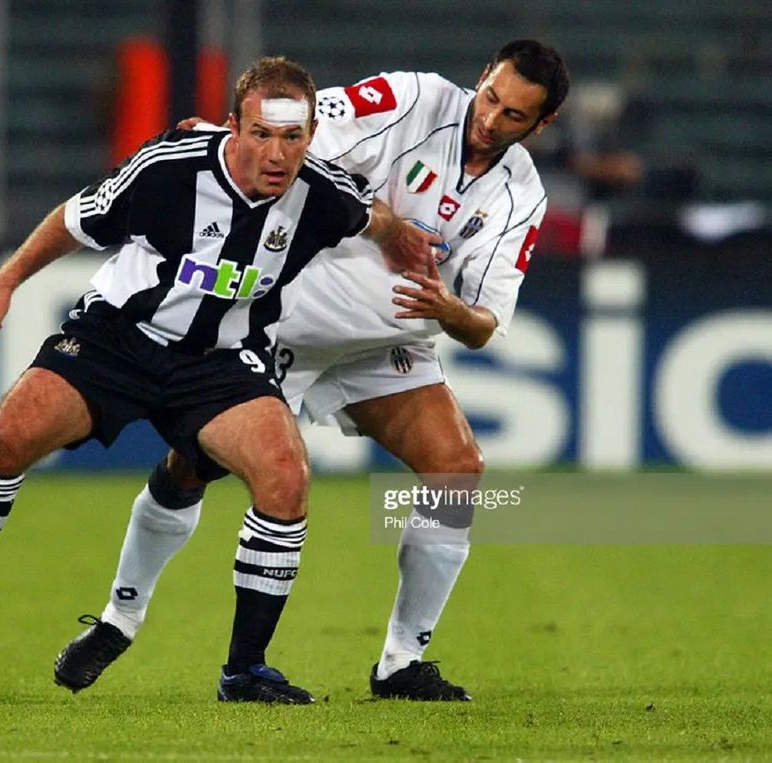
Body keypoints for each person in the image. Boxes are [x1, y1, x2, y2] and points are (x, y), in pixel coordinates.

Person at [0, 56, 431, 704]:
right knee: (4, 443)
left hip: (219, 359)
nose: (277, 152)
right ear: (232, 126)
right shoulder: (171, 169)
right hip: (117, 340)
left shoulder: (321, 194)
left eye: (292, 137)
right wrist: (5, 282)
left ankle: (244, 671)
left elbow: (370, 215)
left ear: (311, 132)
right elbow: (73, 220)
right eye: (262, 134)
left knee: (285, 476)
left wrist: (402, 236)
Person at [54, 40, 569, 701]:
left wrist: (447, 309)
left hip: (388, 343)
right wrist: (221, 137)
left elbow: (485, 323)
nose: (491, 120)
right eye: (491, 97)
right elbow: (300, 128)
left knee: (457, 469)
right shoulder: (411, 98)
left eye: (515, 115)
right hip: (288, 321)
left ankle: (400, 662)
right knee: (191, 466)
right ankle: (120, 617)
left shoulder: (521, 193)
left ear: (542, 125)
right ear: (481, 78)